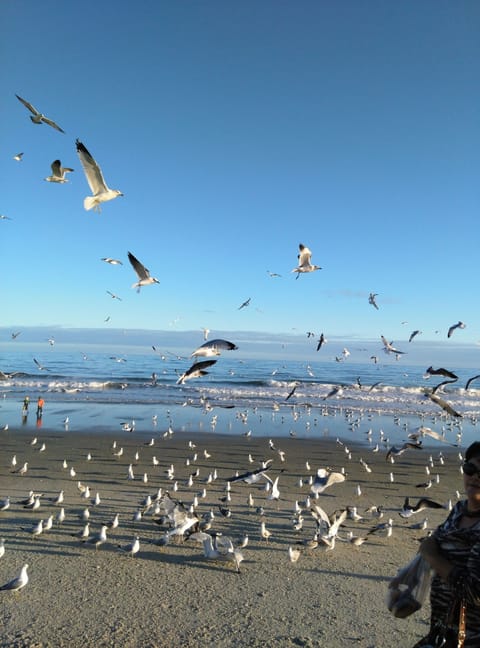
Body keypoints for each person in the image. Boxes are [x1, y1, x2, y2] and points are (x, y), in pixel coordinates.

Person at [412, 441, 480, 647]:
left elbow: (475, 592)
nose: (476, 476)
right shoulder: (459, 510)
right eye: (471, 469)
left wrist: (432, 556)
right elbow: (436, 542)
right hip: (443, 628)